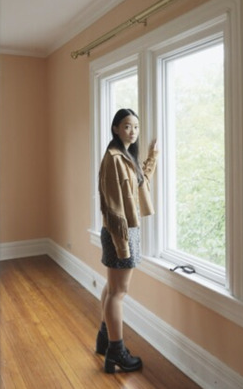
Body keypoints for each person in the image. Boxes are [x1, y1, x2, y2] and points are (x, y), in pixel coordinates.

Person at [94, 108, 159, 373]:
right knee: (119, 292)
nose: (132, 131)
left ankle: (104, 338)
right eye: (127, 126)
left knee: (112, 289)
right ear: (115, 129)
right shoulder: (112, 158)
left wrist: (152, 157)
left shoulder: (126, 157)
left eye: (136, 127)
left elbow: (138, 185)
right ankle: (116, 352)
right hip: (120, 233)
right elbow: (112, 208)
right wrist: (122, 245)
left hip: (124, 232)